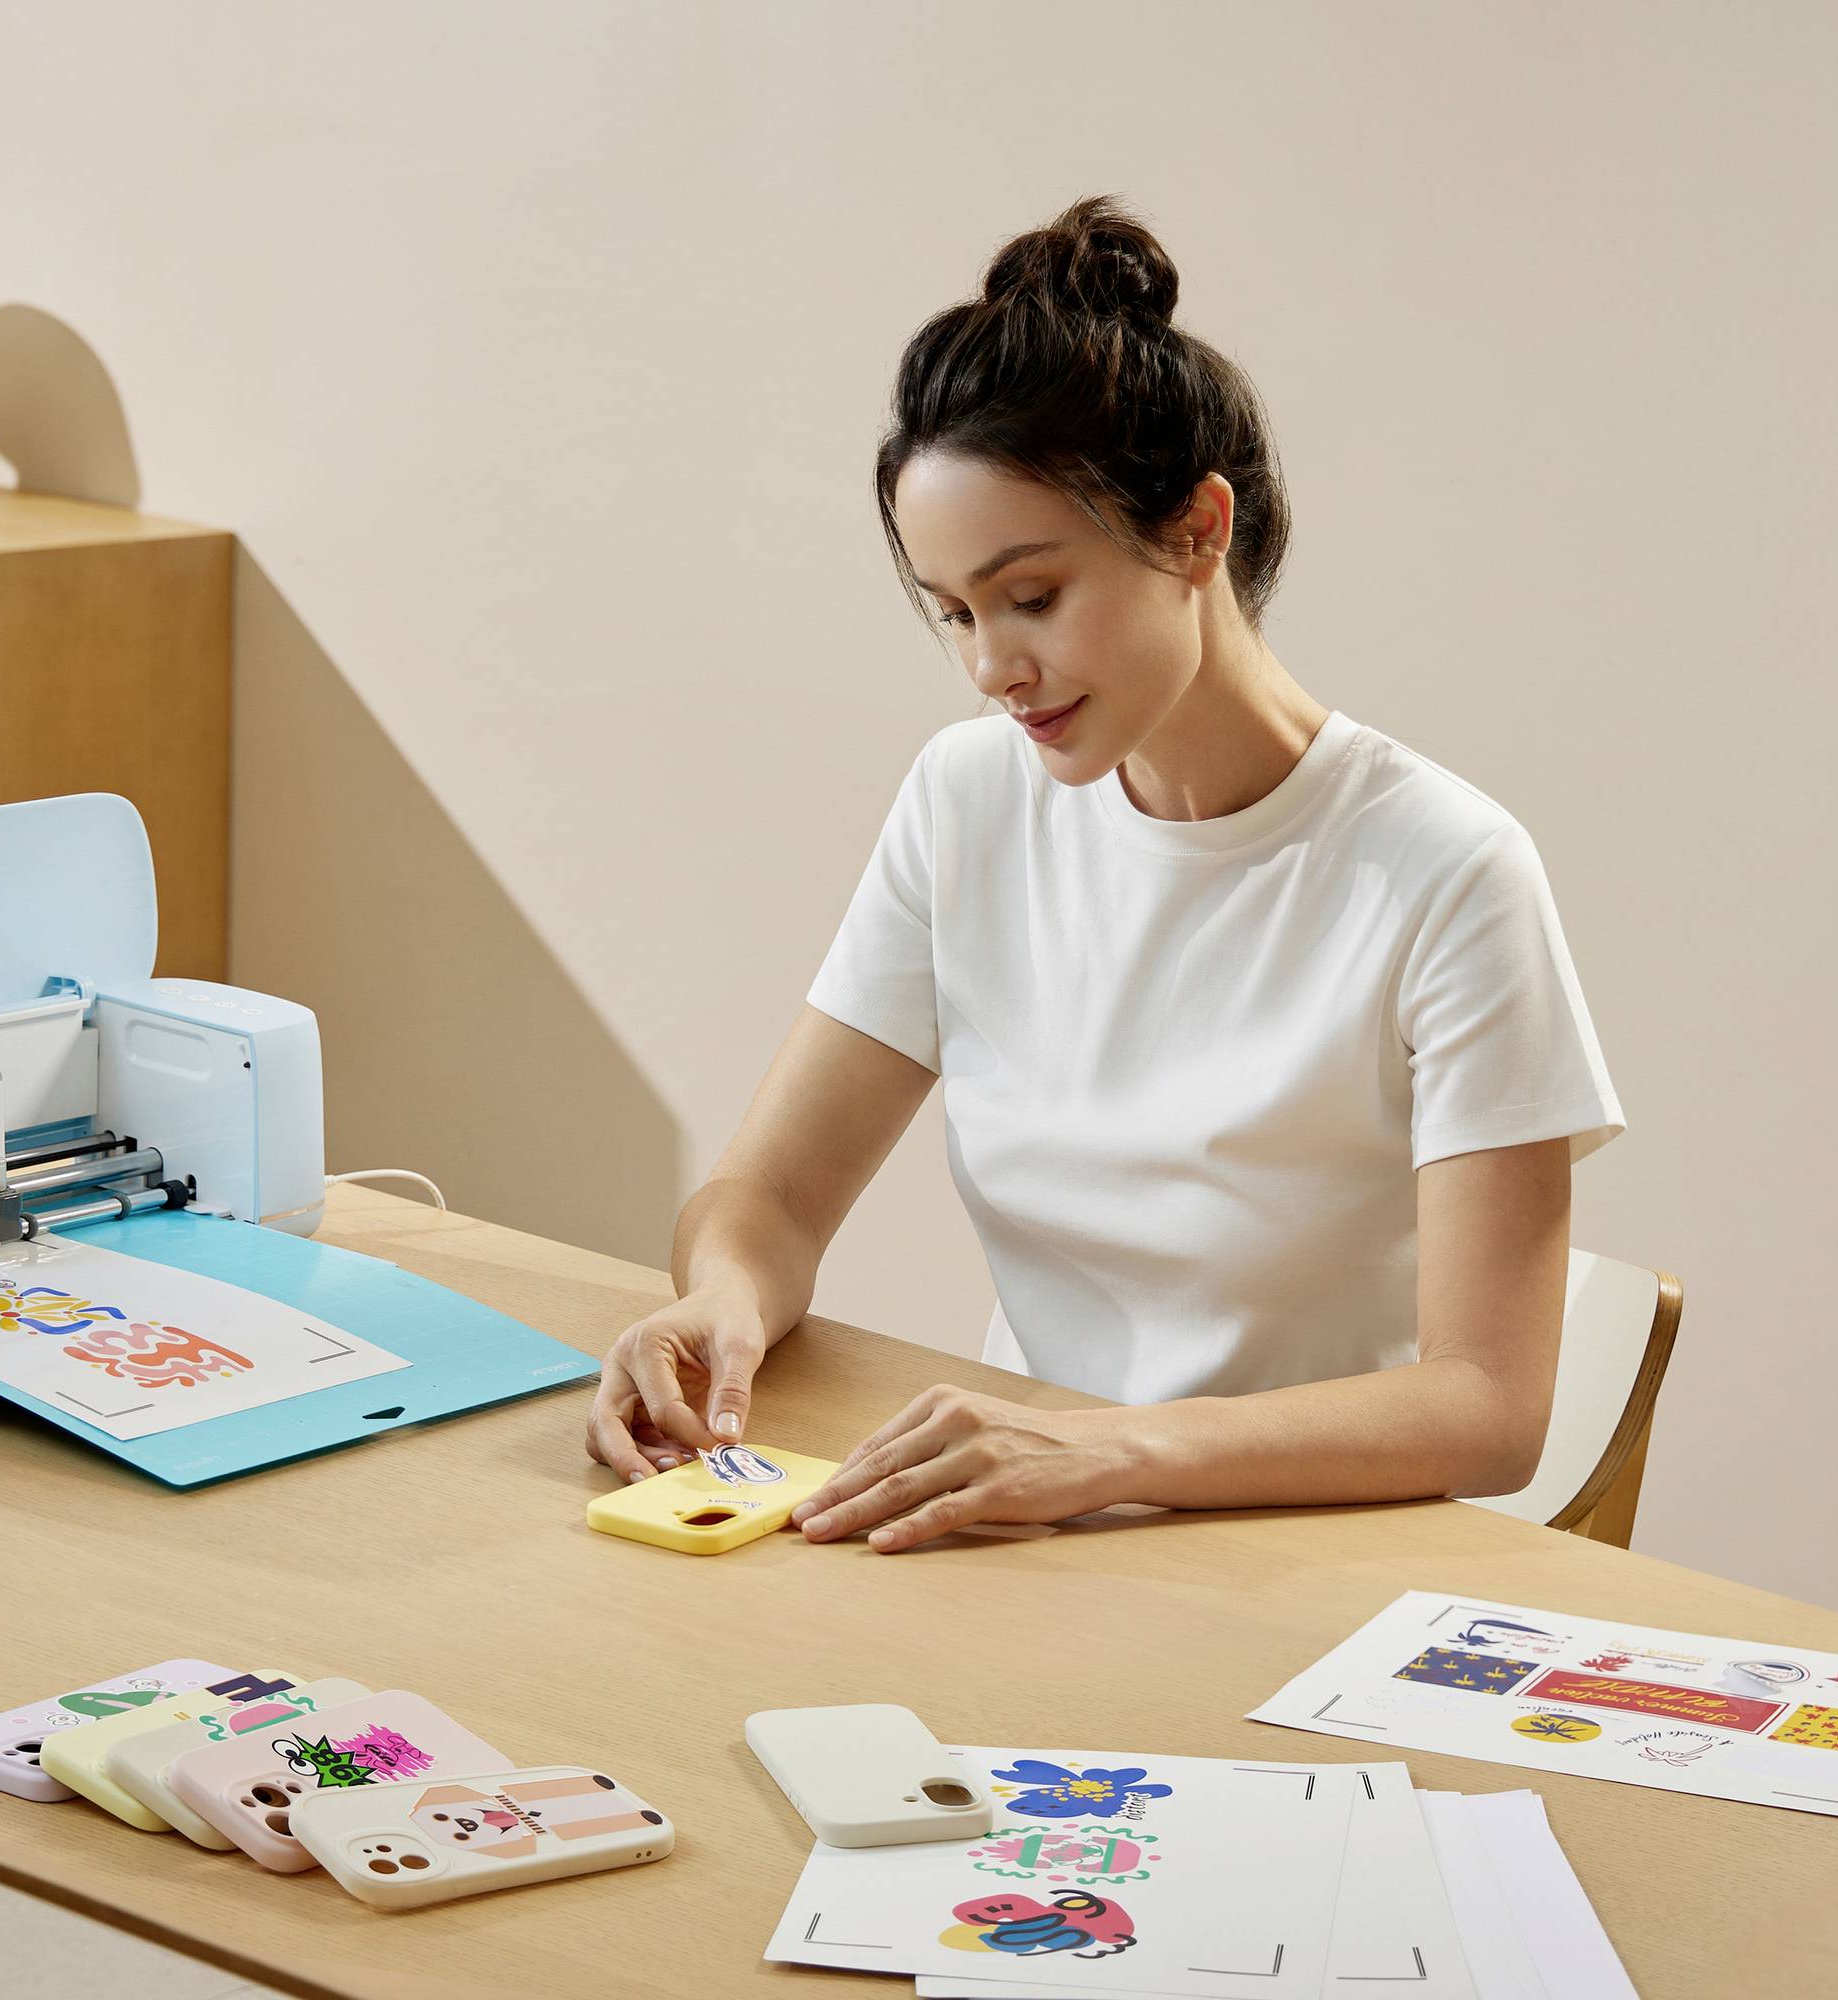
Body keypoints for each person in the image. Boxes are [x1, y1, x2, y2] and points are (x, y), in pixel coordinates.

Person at [583, 196, 1623, 1552]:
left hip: (1307, 1548)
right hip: (1025, 1519)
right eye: (952, 612)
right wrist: (719, 1301)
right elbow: (770, 1198)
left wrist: (1094, 1451)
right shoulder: (968, 802)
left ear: (1197, 531)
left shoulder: (1444, 872)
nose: (989, 666)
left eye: (1031, 596)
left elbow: (1488, 1406)